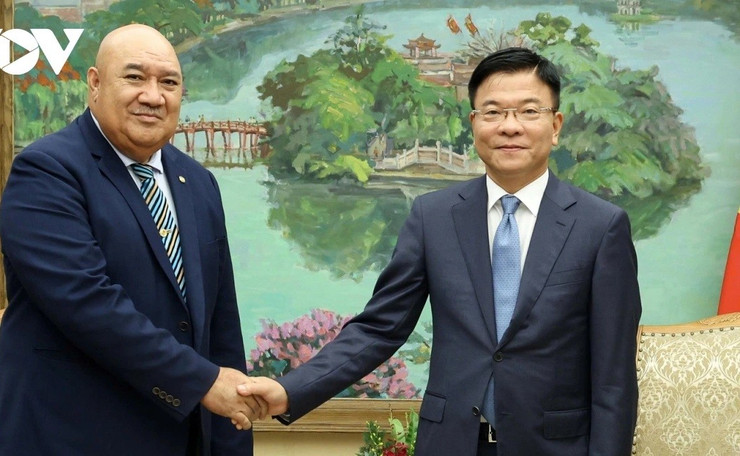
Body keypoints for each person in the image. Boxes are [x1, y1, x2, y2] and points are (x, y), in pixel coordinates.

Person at [239, 47, 642, 455]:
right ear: (474, 124)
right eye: (493, 112)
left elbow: (614, 378)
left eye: (528, 112)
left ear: (555, 125)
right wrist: (289, 390)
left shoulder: (600, 226)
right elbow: (381, 327)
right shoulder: (433, 217)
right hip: (450, 443)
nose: (510, 127)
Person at [0, 24, 261, 455]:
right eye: (135, 77)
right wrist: (203, 382)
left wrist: (232, 440)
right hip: (73, 440)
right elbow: (88, 304)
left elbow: (221, 327)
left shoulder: (199, 182)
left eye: (168, 83)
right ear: (95, 84)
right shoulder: (45, 172)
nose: (153, 96)